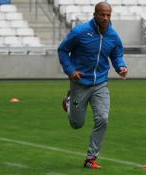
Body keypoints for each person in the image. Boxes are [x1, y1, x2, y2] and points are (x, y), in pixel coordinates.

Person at [57, 1, 128, 169]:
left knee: (103, 119)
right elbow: (62, 50)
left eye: (108, 15)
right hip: (80, 83)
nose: (105, 18)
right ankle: (69, 102)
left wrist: (121, 67)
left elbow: (117, 55)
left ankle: (91, 158)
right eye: (102, 14)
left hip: (101, 84)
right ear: (95, 14)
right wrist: (70, 70)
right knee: (77, 124)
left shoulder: (113, 36)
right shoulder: (80, 32)